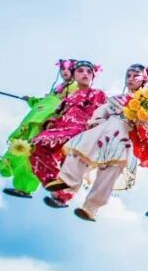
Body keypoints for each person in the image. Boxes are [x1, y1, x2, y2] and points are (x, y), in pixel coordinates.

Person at [45, 63, 148, 219]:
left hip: (124, 135)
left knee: (109, 172)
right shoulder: (117, 99)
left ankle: (90, 208)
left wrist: (143, 121)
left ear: (144, 79)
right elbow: (100, 112)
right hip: (104, 129)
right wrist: (96, 122)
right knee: (78, 149)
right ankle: (67, 181)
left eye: (135, 76)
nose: (130, 79)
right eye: (128, 76)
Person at [24, 60, 107, 204]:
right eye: (80, 71)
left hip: (81, 129)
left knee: (71, 164)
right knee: (37, 147)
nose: (85, 74)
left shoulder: (97, 93)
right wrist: (50, 123)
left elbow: (100, 114)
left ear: (93, 76)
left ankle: (62, 197)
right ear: (73, 75)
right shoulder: (69, 97)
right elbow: (58, 115)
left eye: (89, 72)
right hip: (62, 128)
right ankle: (52, 180)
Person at [0, 59, 76, 195]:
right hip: (35, 117)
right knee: (21, 143)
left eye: (68, 69)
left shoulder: (76, 88)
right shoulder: (58, 88)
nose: (64, 72)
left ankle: (24, 188)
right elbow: (44, 102)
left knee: (34, 151)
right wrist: (30, 100)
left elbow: (73, 105)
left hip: (48, 122)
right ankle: (5, 165)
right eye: (62, 69)